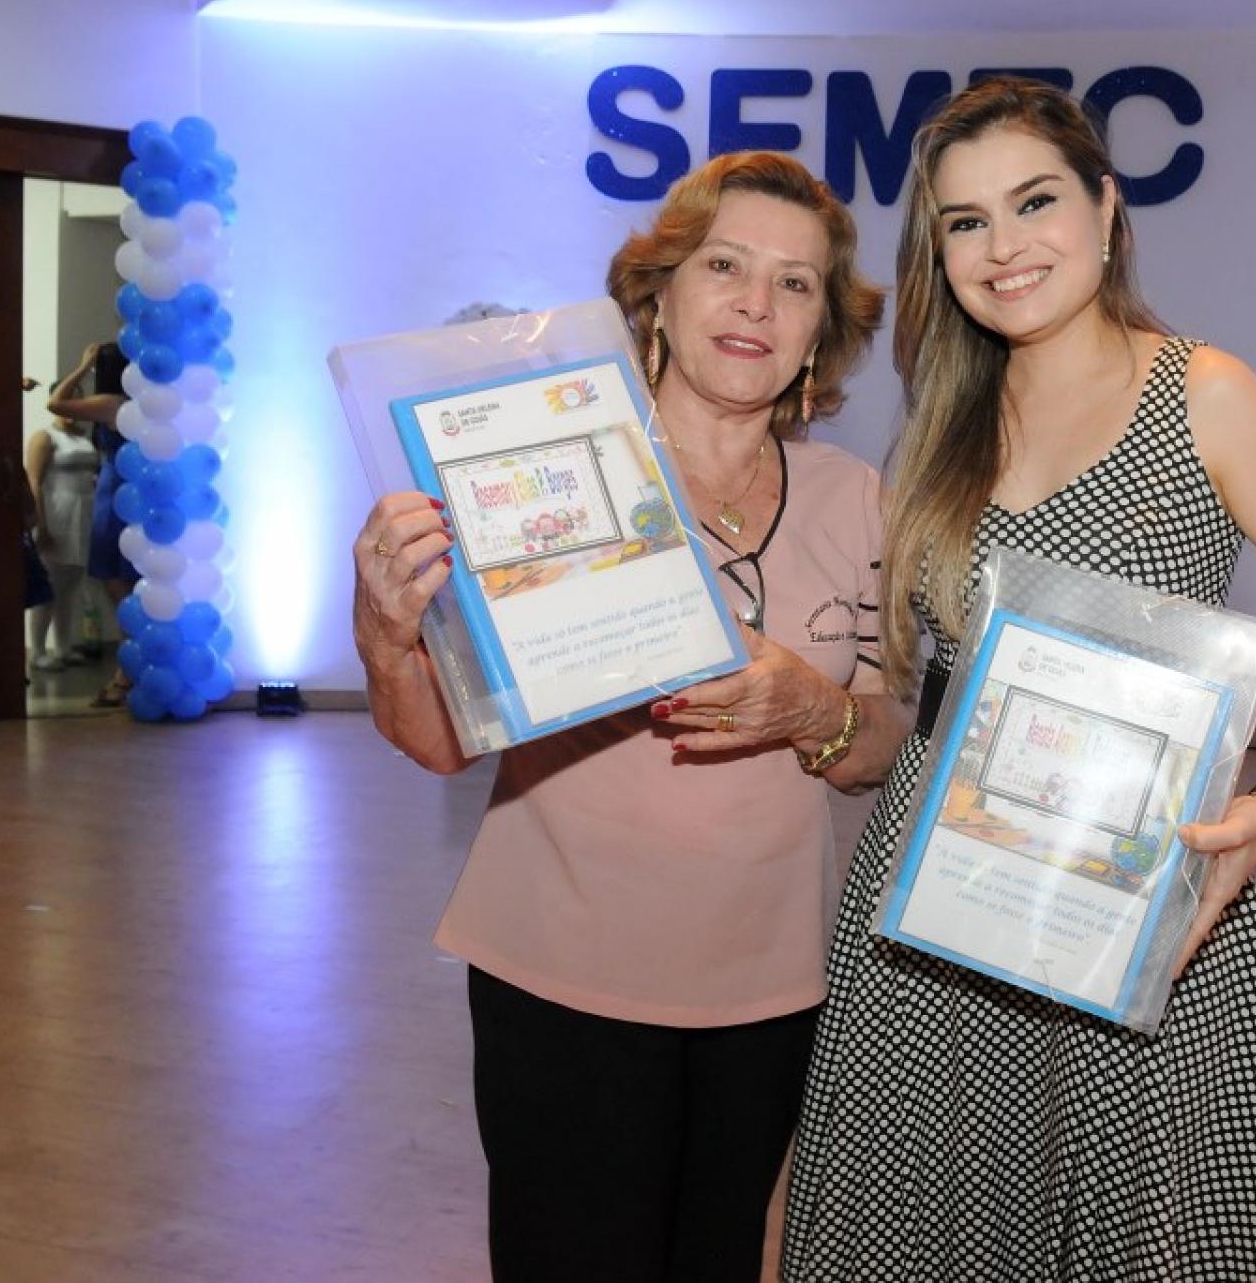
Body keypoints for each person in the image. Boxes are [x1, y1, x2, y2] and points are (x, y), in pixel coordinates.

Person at [781, 78, 1256, 1280]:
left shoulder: (1205, 393)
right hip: (940, 882)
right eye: (966, 222)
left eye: (1035, 202)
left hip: (1133, 879)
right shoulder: (945, 418)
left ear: (1106, 208)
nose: (1003, 247)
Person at [350, 152, 907, 1283]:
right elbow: (441, 741)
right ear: (657, 293)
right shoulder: (547, 471)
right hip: (560, 976)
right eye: (725, 266)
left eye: (796, 284)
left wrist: (813, 708)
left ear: (822, 333)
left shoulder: (856, 499)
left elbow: (880, 741)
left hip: (770, 986)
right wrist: (385, 630)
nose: (756, 304)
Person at [45, 342, 136, 706]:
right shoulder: (136, 404)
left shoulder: (110, 403)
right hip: (124, 492)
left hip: (113, 496)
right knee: (126, 586)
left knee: (116, 587)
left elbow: (55, 403)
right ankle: (128, 670)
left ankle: (125, 673)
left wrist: (81, 366)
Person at [23, 391, 101, 670]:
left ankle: (63, 647)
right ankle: (37, 650)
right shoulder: (45, 437)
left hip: (84, 515)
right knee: (49, 585)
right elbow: (34, 481)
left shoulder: (83, 438)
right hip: (57, 514)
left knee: (69, 587)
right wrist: (40, 523)